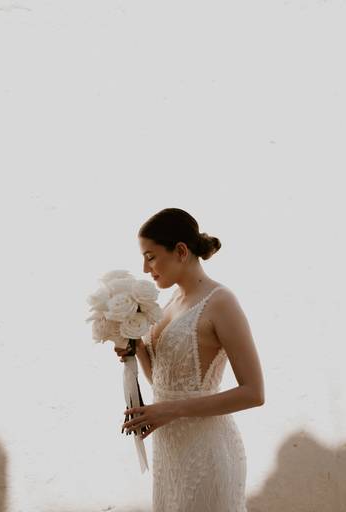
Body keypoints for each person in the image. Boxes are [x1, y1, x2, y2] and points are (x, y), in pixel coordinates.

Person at [114, 208, 265, 512]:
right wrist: (137, 349)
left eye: (151, 256)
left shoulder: (221, 302)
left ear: (181, 251)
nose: (145, 268)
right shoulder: (171, 303)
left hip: (207, 452)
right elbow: (163, 381)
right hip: (170, 454)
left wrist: (172, 410)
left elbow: (254, 393)